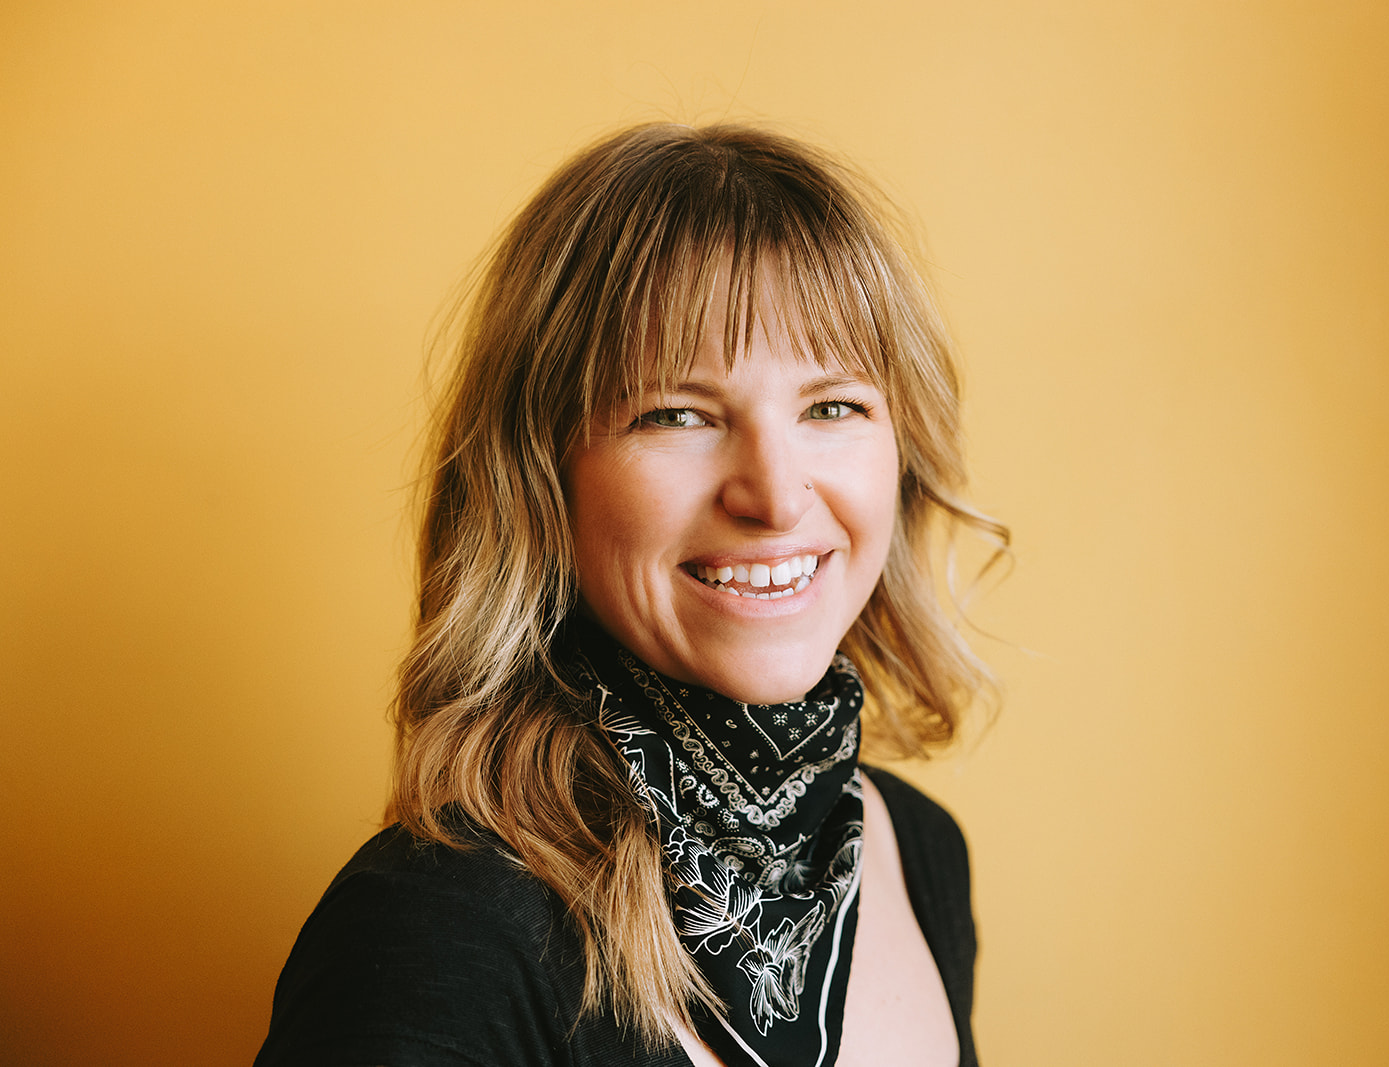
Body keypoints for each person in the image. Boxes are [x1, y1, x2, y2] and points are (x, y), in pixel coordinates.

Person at [255, 122, 1006, 1067]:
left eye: (832, 406)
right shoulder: (435, 926)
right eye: (677, 413)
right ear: (539, 477)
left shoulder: (922, 852)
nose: (774, 496)